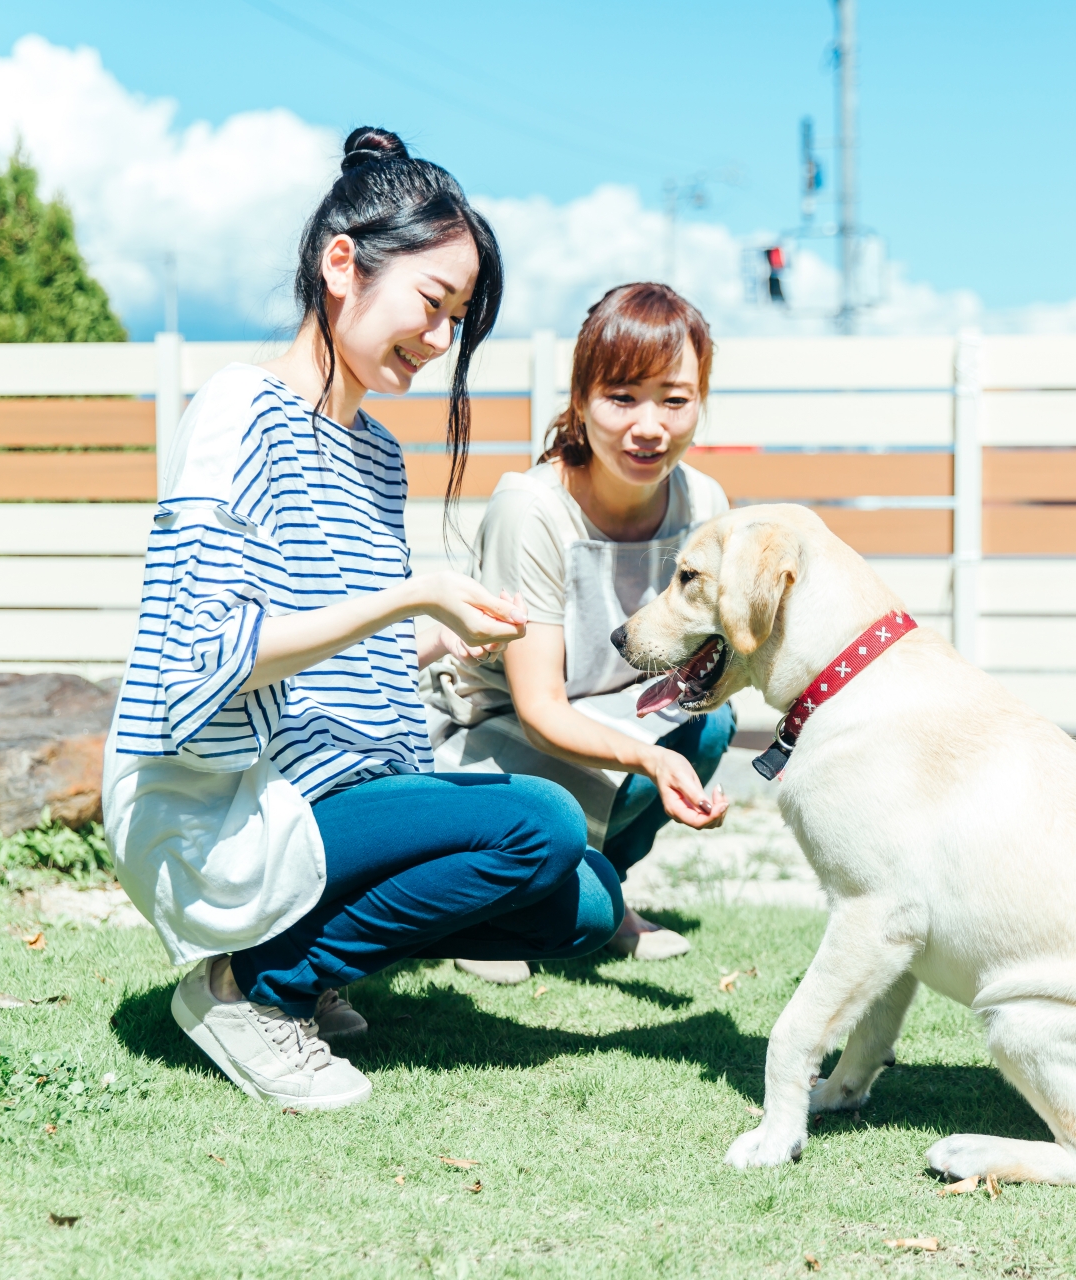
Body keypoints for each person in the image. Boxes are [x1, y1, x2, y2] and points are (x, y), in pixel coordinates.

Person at [102, 127, 623, 1110]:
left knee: (588, 901)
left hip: (339, 780)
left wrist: (440, 628)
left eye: (457, 320)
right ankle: (251, 987)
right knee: (542, 823)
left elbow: (343, 639)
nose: (438, 341)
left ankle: (308, 953)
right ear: (342, 263)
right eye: (434, 304)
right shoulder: (237, 413)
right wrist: (407, 595)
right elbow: (206, 658)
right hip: (228, 797)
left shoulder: (378, 455)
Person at [425, 283, 735, 979]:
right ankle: (482, 914)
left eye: (675, 399)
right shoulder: (531, 508)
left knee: (711, 723)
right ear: (580, 401)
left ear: (701, 404)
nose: (649, 426)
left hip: (616, 716)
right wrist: (652, 760)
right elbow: (537, 711)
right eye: (622, 397)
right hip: (495, 737)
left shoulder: (705, 501)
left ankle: (604, 887)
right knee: (662, 745)